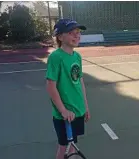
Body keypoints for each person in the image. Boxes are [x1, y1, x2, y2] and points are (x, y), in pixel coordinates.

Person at [45, 18, 90, 159]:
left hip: (77, 111)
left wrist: (85, 106)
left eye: (78, 32)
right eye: (71, 33)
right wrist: (63, 110)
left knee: (73, 144)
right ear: (60, 37)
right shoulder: (56, 57)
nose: (77, 35)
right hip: (64, 115)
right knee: (64, 146)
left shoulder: (77, 56)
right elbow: (51, 86)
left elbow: (79, 81)